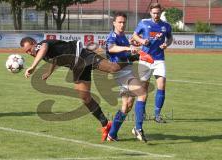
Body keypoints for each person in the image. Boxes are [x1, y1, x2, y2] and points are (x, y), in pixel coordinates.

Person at [20, 37, 130, 142]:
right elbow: (55, 60)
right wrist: (49, 72)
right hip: (77, 66)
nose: (29, 53)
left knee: (113, 68)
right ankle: (106, 124)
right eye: (27, 52)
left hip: (82, 55)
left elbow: (43, 48)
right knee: (85, 98)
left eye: (30, 49)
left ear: (34, 43)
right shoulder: (42, 55)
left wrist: (33, 67)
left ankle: (135, 56)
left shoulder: (41, 46)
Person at [105, 12, 148, 142]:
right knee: (142, 94)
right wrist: (128, 48)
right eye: (119, 22)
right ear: (114, 23)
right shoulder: (113, 36)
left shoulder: (123, 37)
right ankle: (138, 128)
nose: (122, 24)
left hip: (127, 71)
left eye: (124, 22)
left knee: (127, 106)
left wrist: (135, 53)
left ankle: (112, 134)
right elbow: (111, 48)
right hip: (122, 73)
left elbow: (125, 55)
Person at [132, 3, 173, 123]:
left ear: (161, 12)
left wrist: (167, 44)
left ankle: (157, 114)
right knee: (144, 88)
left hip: (159, 59)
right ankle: (142, 112)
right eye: (154, 13)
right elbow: (134, 35)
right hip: (145, 59)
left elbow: (170, 38)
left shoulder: (166, 26)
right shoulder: (144, 23)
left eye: (158, 13)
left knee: (162, 85)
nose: (156, 15)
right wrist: (141, 40)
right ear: (150, 12)